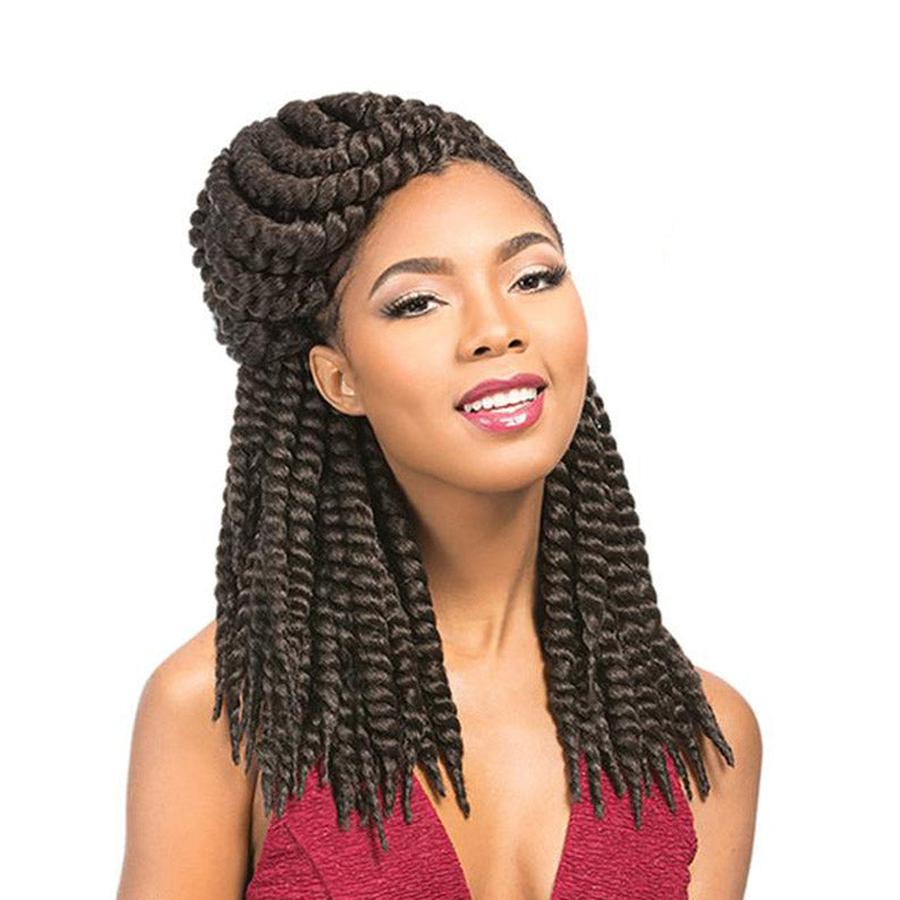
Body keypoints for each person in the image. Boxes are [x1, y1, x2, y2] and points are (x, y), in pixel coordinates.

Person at [117, 92, 761, 899]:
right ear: (338, 378)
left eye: (533, 276)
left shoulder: (701, 738)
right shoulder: (227, 713)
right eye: (418, 301)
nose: (496, 328)